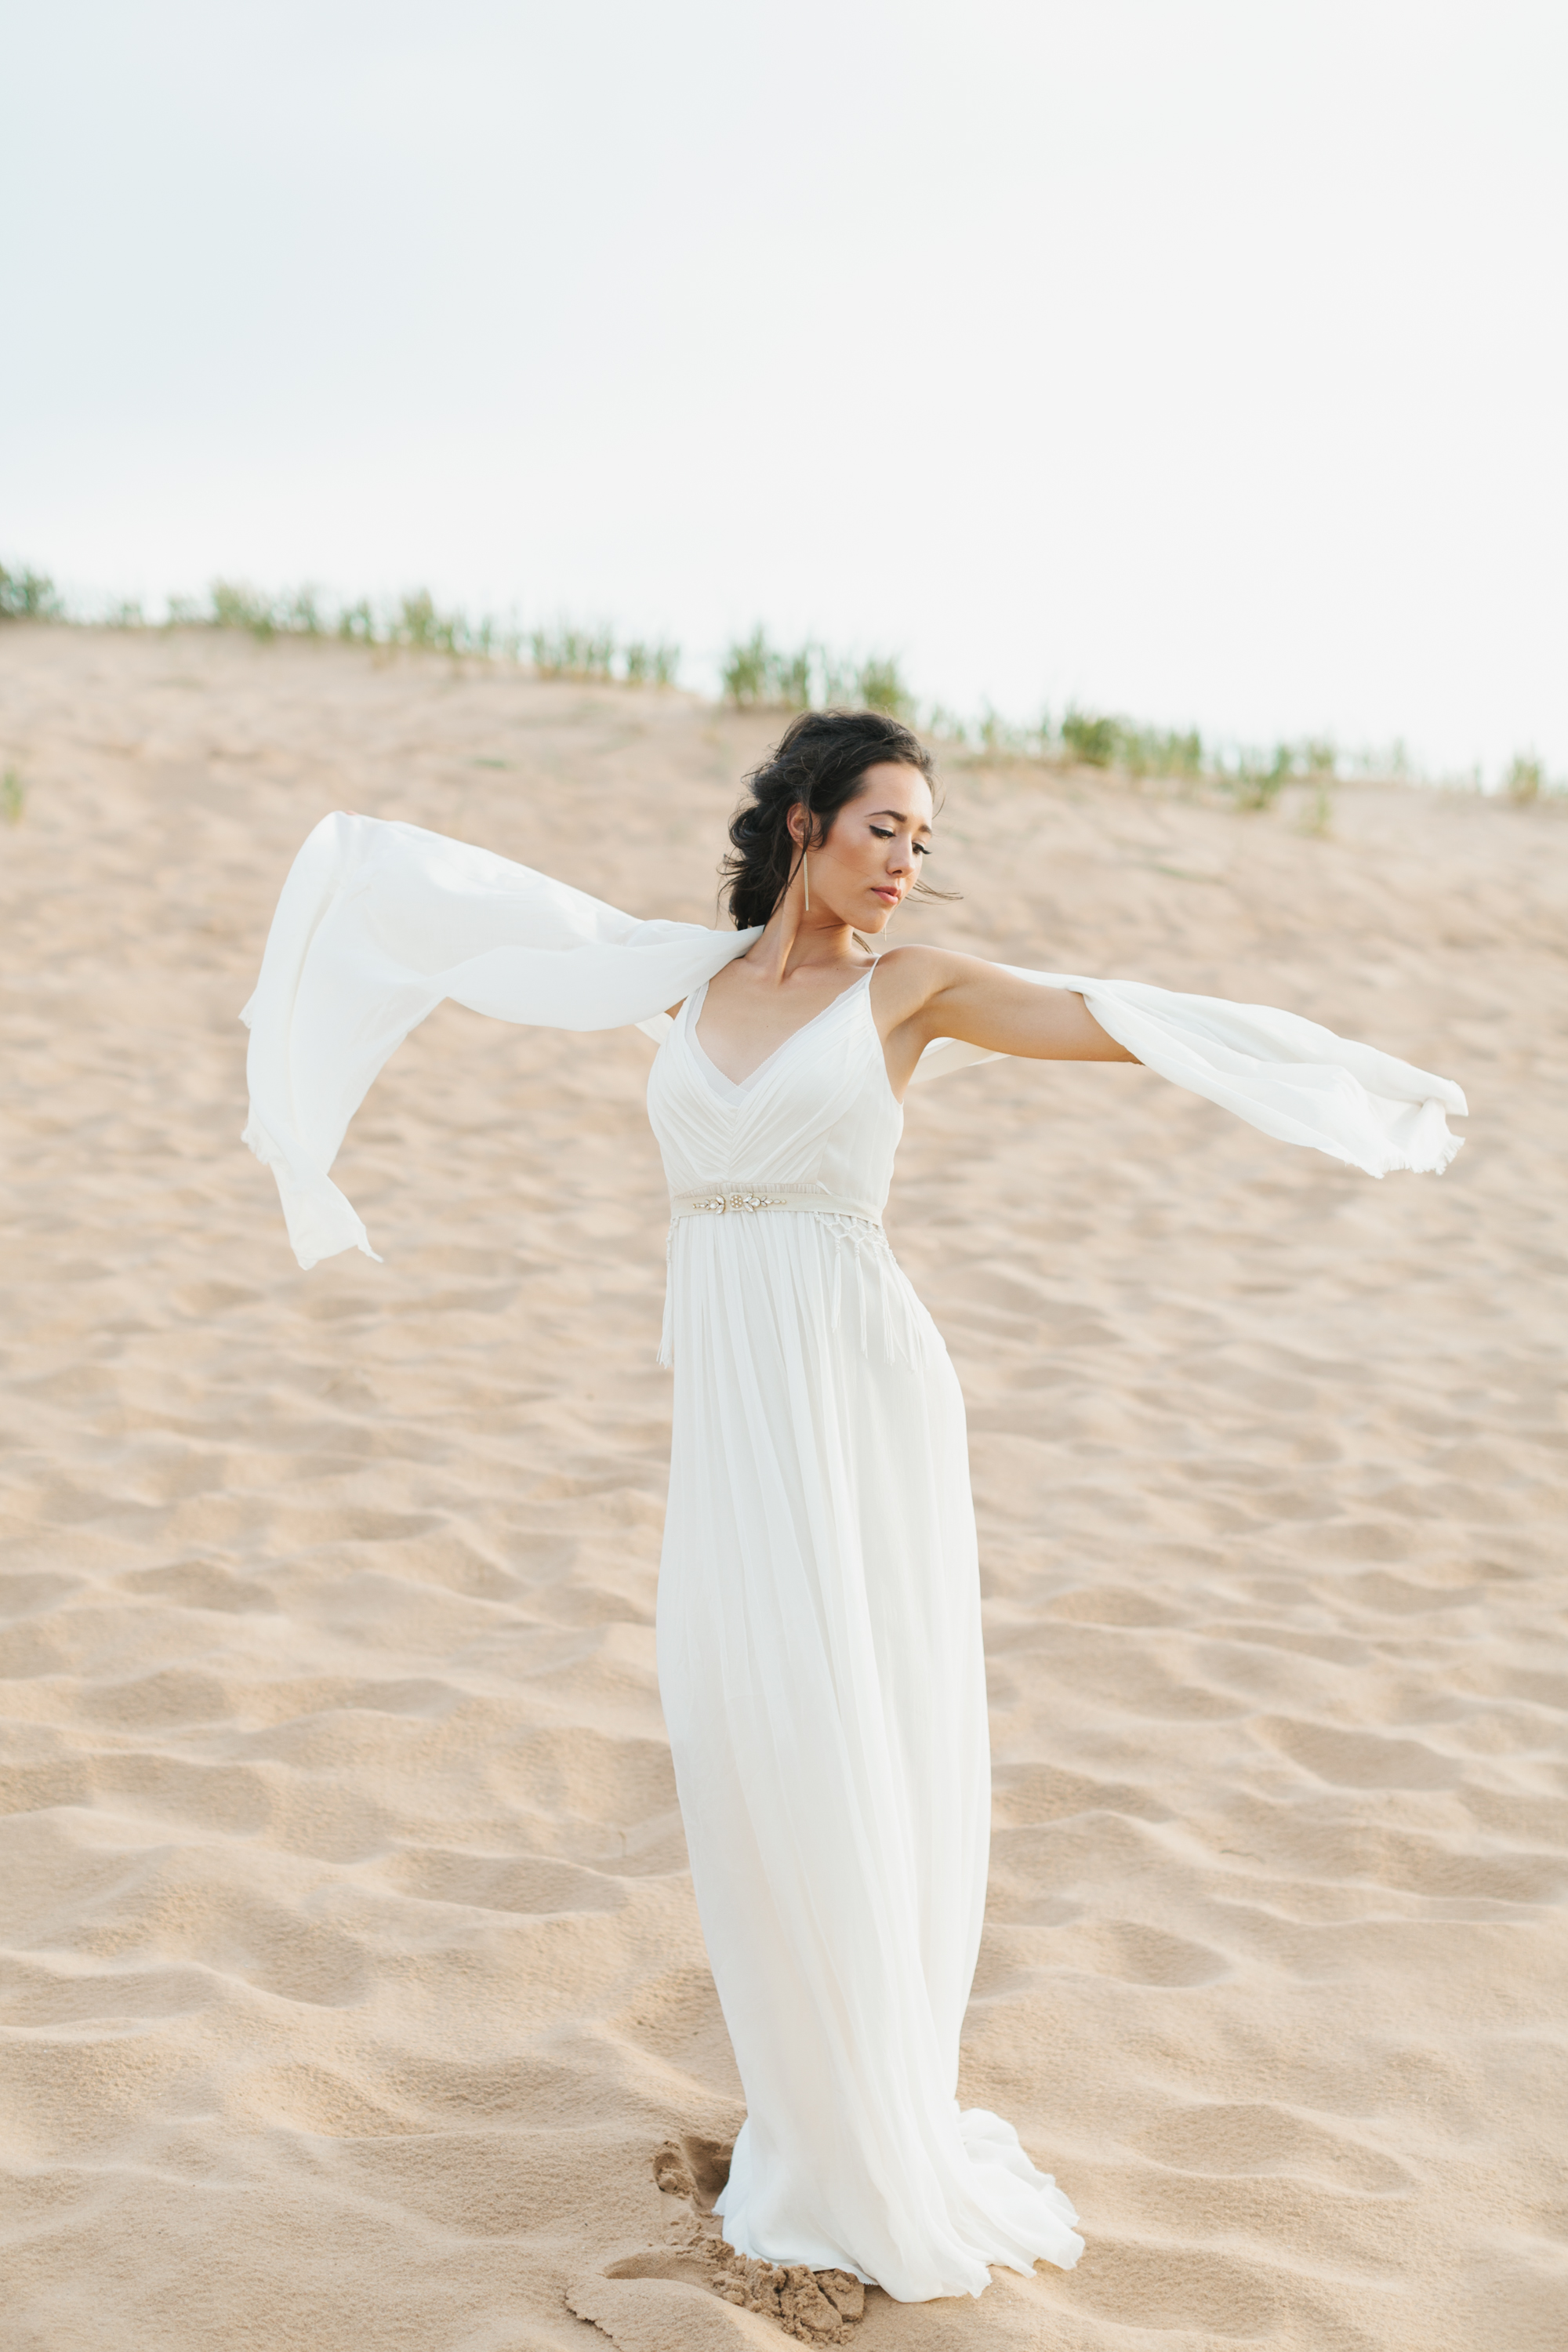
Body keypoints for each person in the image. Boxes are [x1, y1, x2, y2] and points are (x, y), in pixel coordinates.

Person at [241, 709, 1465, 2304]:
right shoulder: (680, 980)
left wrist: (1338, 1074)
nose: (907, 864)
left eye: (925, 843)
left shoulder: (914, 992)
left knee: (849, 1728)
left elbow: (1108, 1018)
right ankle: (813, 2099)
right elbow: (490, 937)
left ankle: (870, 2123)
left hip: (856, 1392)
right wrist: (341, 942)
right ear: (804, 822)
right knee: (744, 1729)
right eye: (886, 828)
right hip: (732, 1405)